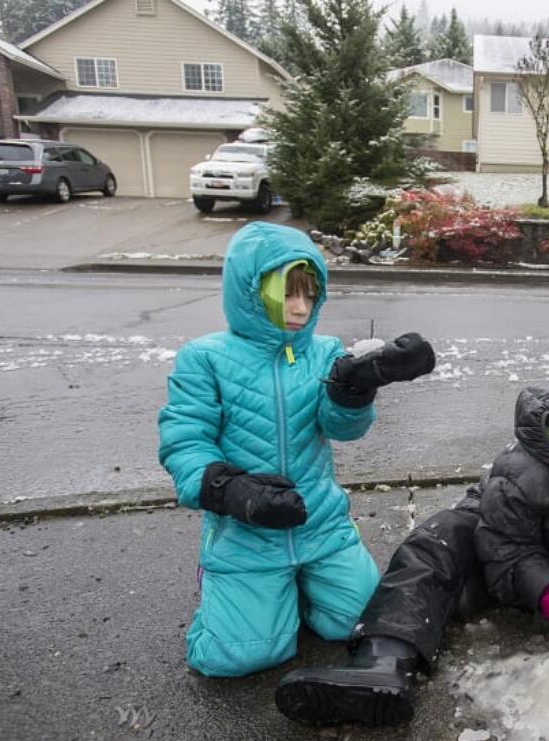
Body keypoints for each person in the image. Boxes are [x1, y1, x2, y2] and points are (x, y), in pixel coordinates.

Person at [275, 362, 549, 727]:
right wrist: (542, 584)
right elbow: (503, 542)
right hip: (495, 535)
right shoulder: (526, 469)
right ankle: (383, 660)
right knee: (437, 544)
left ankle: (499, 593)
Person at [157, 221, 435, 678]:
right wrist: (232, 492)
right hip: (247, 536)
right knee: (237, 656)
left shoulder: (323, 352)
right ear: (251, 289)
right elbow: (184, 440)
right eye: (288, 293)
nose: (301, 308)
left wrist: (356, 387)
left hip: (320, 525)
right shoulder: (204, 358)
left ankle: (299, 589)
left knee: (362, 623)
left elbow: (342, 429)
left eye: (310, 295)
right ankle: (232, 589)